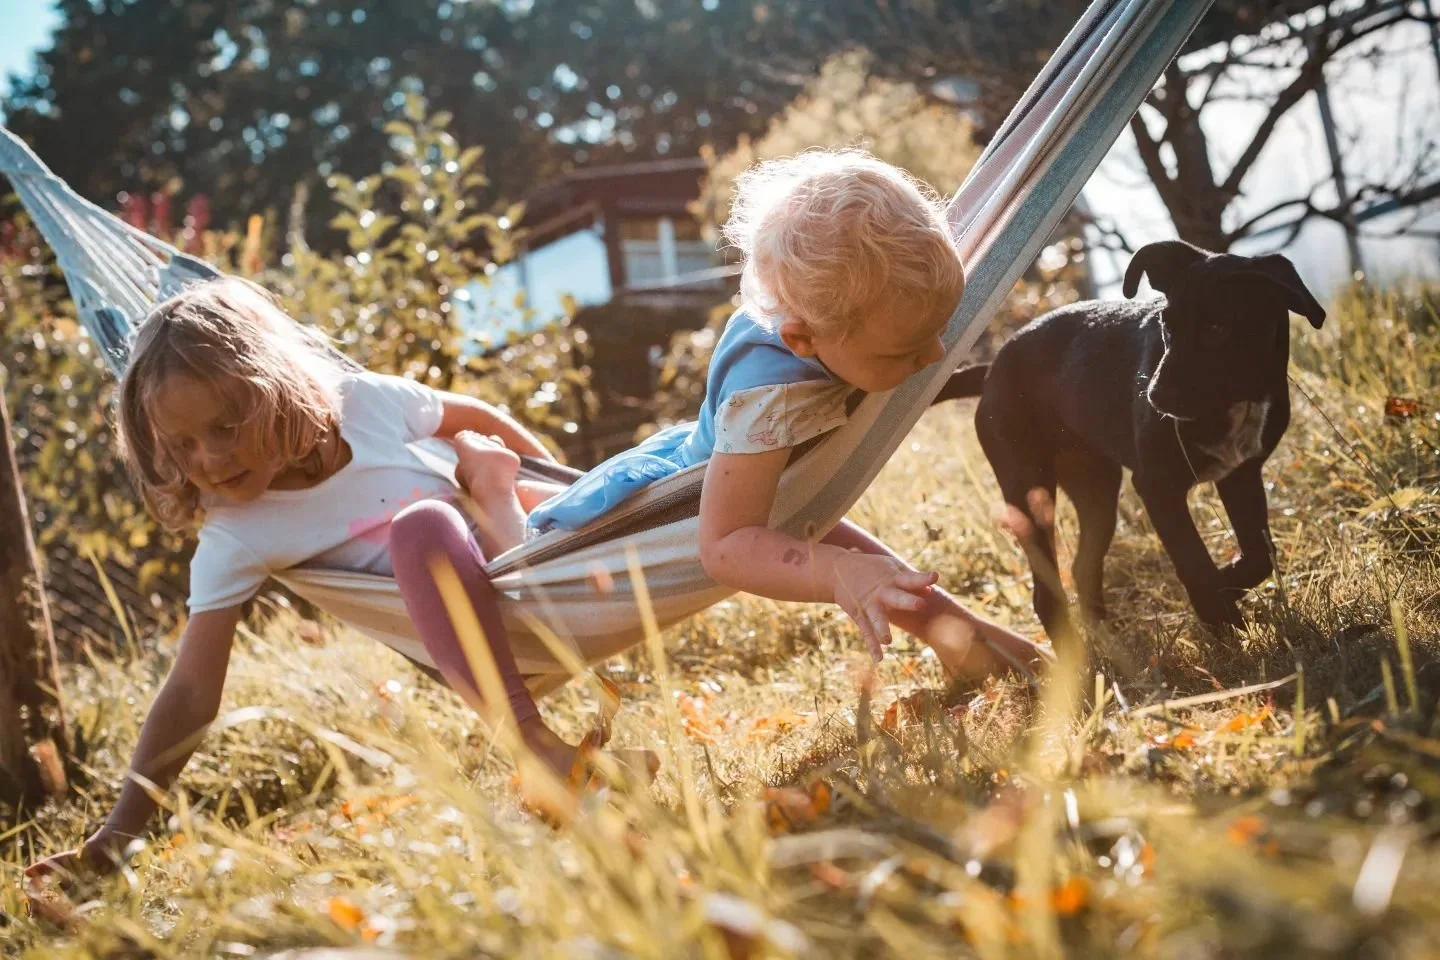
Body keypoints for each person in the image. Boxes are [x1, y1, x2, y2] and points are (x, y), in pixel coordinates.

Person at [25, 276, 618, 878]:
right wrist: (115, 834)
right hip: (487, 631)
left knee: (667, 463)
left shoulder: (363, 405)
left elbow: (475, 417)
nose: (208, 458)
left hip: (542, 551)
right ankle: (533, 742)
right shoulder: (236, 535)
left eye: (225, 428)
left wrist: (577, 488)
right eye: (181, 445)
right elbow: (189, 693)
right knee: (422, 526)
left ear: (276, 393)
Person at [520, 148, 1050, 678]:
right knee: (844, 556)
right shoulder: (768, 403)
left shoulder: (855, 310)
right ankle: (499, 482)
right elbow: (727, 545)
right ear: (801, 338)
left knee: (834, 535)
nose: (936, 356)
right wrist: (839, 572)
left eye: (940, 329)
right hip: (674, 502)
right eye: (904, 352)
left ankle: (966, 644)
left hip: (769, 468)